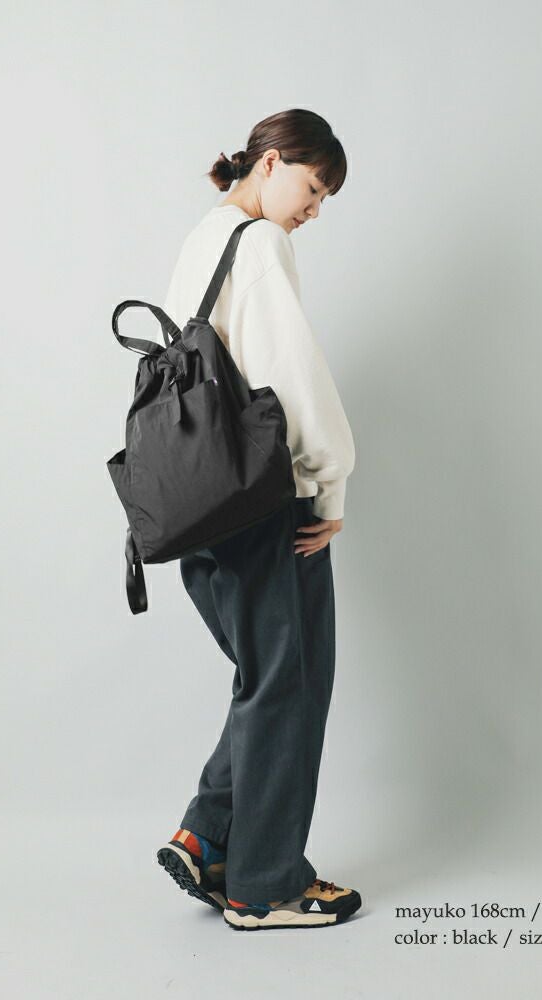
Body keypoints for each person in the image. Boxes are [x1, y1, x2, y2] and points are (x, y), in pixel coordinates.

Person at [155, 108, 361, 930]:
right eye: (313, 187)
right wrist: (330, 486)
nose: (314, 210)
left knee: (268, 680)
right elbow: (290, 380)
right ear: (270, 163)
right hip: (266, 502)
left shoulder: (201, 240)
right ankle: (264, 887)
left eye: (325, 199)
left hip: (199, 502)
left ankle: (208, 838)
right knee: (292, 683)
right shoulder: (261, 243)